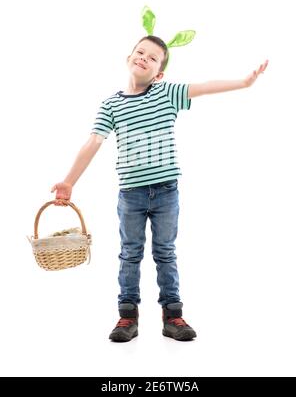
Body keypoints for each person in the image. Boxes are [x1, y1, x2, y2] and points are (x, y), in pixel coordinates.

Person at [51, 35, 268, 342]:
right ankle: (127, 317)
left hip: (166, 191)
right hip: (131, 194)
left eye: (153, 58)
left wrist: (243, 83)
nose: (144, 57)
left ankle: (172, 315)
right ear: (128, 57)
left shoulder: (167, 93)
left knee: (165, 253)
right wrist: (69, 181)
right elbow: (93, 143)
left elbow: (204, 86)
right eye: (140, 52)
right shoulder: (111, 104)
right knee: (130, 253)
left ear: (160, 73)